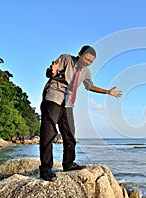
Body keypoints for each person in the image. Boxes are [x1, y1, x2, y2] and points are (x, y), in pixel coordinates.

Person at [39, 45, 121, 181]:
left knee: (70, 135)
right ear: (80, 54)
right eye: (87, 59)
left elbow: (90, 86)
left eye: (91, 61)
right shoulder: (66, 58)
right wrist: (52, 72)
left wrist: (107, 92)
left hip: (68, 103)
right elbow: (51, 73)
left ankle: (68, 164)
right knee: (48, 133)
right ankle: (46, 169)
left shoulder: (86, 72)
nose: (88, 62)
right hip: (54, 96)